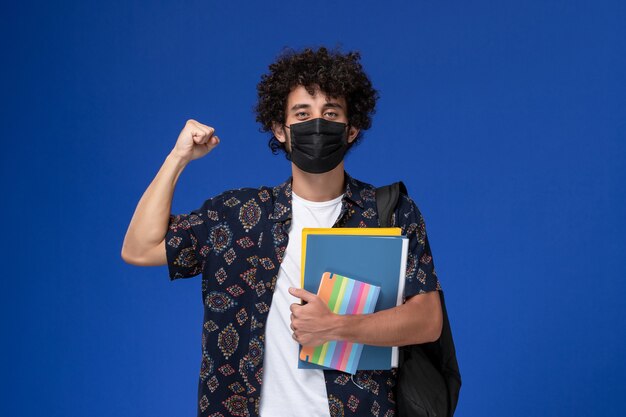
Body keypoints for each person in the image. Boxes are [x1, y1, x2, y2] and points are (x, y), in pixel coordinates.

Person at [121, 46, 443, 417]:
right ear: (280, 129)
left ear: (351, 129)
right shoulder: (236, 215)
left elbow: (427, 320)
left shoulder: (388, 212)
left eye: (331, 113)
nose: (317, 124)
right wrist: (177, 159)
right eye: (302, 114)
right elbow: (140, 248)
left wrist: (337, 326)